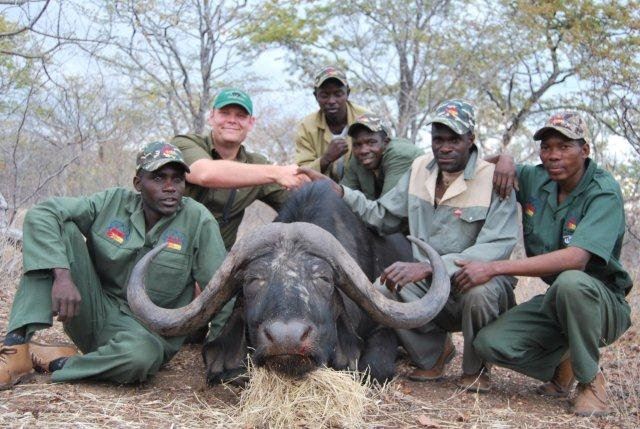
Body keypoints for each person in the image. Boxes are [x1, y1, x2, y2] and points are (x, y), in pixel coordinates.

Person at [301, 99, 519, 391]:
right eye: (438, 139)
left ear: (471, 139)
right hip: (430, 283)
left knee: (480, 291)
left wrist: (430, 267)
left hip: (475, 279)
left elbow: (496, 246)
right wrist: (341, 192)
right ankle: (433, 355)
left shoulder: (495, 179)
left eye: (454, 139)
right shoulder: (419, 169)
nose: (444, 147)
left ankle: (476, 370)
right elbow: (382, 215)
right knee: (382, 289)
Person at [0, 142, 226, 389]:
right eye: (158, 178)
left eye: (178, 179)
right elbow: (42, 214)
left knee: (139, 357)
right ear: (138, 183)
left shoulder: (198, 220)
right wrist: (62, 276)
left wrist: (220, 351)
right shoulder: (112, 202)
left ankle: (60, 363)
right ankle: (16, 347)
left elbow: (222, 291)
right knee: (59, 228)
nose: (170, 187)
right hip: (92, 312)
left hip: (145, 336)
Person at [458, 111, 633, 416]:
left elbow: (576, 260)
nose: (553, 155)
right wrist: (506, 158)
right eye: (546, 147)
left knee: (571, 282)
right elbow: (481, 167)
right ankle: (566, 360)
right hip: (556, 300)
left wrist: (493, 267)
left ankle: (591, 381)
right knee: (488, 344)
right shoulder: (536, 178)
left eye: (564, 147)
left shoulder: (603, 191)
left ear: (585, 150)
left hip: (602, 304)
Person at [172, 88, 307, 250]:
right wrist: (277, 172)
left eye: (241, 116)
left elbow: (299, 205)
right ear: (211, 117)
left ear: (251, 122)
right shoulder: (184, 144)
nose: (232, 120)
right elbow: (205, 174)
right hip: (172, 250)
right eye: (224, 113)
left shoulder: (258, 164)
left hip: (219, 259)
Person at [295, 66, 370, 181]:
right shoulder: (306, 126)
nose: (331, 101)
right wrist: (326, 158)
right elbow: (302, 173)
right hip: (324, 189)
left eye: (338, 94)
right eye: (324, 95)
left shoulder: (366, 119)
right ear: (316, 96)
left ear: (347, 93)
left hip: (363, 187)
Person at [340, 113, 424, 200]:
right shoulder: (358, 157)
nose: (363, 151)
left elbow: (389, 205)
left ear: (386, 142)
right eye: (357, 144)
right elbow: (341, 195)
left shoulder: (399, 154)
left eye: (371, 142)